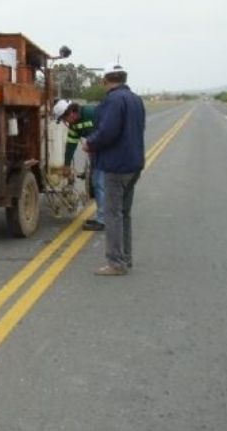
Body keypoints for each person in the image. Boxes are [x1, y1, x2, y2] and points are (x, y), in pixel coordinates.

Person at [83, 63, 146, 275]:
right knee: (124, 214)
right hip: (133, 164)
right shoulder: (136, 100)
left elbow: (107, 132)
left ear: (106, 81)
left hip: (116, 166)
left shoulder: (112, 101)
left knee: (112, 215)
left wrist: (89, 143)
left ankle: (116, 263)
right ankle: (126, 258)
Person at [52, 99, 106, 231]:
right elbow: (70, 145)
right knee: (98, 182)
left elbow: (105, 131)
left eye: (64, 119)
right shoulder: (74, 126)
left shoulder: (91, 113)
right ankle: (105, 215)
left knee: (99, 183)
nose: (65, 123)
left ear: (70, 113)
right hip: (96, 152)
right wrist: (66, 165)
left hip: (106, 151)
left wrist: (92, 144)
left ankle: (103, 219)